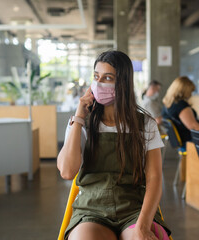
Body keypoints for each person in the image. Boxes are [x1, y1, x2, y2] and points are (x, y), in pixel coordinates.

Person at [57, 50, 171, 240]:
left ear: (123, 83)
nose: (99, 83)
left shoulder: (145, 124)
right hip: (91, 210)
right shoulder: (81, 123)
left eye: (107, 78)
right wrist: (78, 117)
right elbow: (67, 172)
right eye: (96, 76)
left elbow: (154, 178)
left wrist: (142, 227)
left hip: (134, 208)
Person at [162, 76, 199, 147]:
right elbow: (194, 127)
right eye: (190, 91)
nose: (191, 94)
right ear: (184, 90)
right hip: (190, 141)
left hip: (184, 139)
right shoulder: (181, 105)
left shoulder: (168, 104)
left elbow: (187, 122)